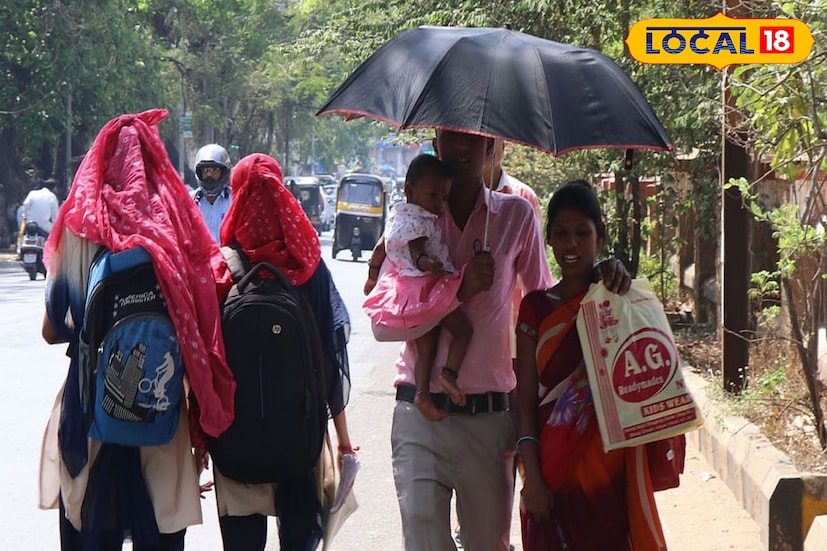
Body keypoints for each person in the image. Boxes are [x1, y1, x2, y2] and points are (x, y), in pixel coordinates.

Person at [364, 130, 630, 550]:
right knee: (423, 543)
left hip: (489, 420)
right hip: (419, 410)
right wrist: (456, 291)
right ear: (437, 140)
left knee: (489, 544)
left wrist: (599, 275)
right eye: (453, 136)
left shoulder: (516, 217)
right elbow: (383, 325)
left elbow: (547, 307)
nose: (463, 147)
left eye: (475, 137)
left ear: (493, 144)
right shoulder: (410, 220)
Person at [37, 109, 236, 551]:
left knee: (83, 516)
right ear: (155, 163)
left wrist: (97, 333)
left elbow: (51, 330)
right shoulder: (178, 228)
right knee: (163, 531)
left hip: (90, 407)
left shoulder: (76, 227)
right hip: (162, 407)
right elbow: (202, 325)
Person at [213, 152, 356, 551]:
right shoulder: (308, 265)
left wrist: (198, 445)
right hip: (300, 443)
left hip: (235, 445)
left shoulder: (222, 269)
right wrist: (343, 441)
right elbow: (332, 353)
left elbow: (206, 362)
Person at [515, 180, 666, 550]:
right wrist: (531, 477)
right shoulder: (534, 309)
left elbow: (653, 373)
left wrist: (617, 281)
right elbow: (522, 402)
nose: (571, 244)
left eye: (582, 232)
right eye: (561, 233)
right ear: (548, 238)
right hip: (549, 473)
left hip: (610, 471)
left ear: (600, 234)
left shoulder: (618, 297)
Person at [363, 153, 473, 422]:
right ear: (410, 190)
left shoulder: (397, 217)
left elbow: (380, 247)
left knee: (426, 346)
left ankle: (422, 393)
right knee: (464, 329)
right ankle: (448, 375)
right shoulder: (419, 221)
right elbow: (417, 252)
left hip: (409, 289)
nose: (440, 204)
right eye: (433, 195)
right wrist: (428, 263)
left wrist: (372, 274)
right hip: (428, 287)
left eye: (444, 197)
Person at [191, 143, 233, 242]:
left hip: (228, 256)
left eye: (214, 170)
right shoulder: (189, 201)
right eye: (205, 170)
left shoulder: (234, 200)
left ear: (224, 172)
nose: (209, 174)